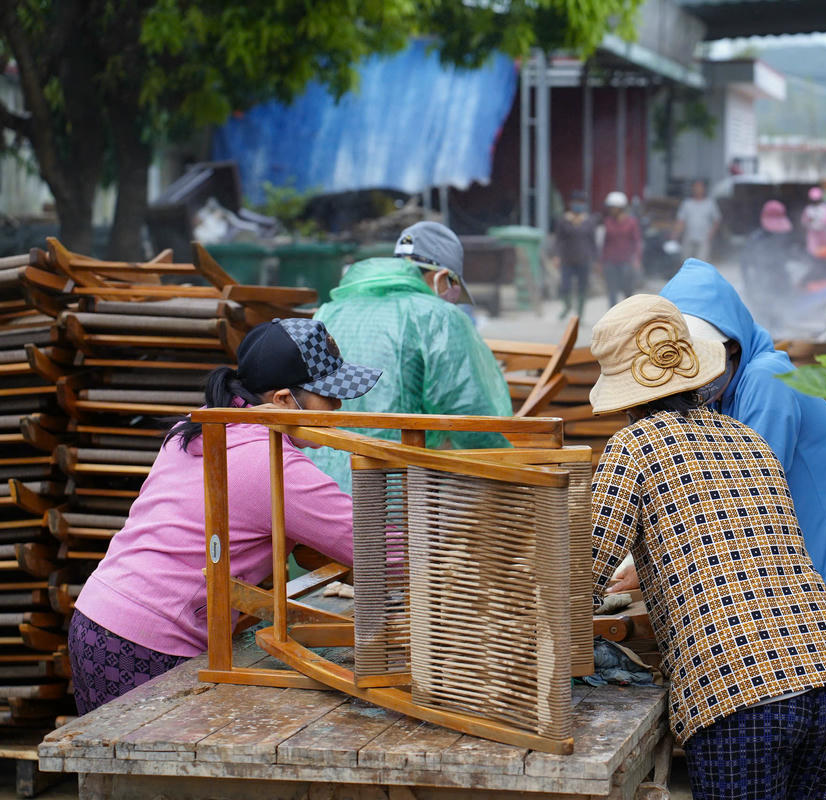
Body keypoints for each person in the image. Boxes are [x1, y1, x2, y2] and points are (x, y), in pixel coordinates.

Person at [588, 294, 826, 800]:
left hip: (738, 686)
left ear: (626, 396)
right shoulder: (748, 439)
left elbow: (580, 570)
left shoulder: (634, 446)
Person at [658, 259, 826, 800]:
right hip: (818, 601)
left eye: (710, 361)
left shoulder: (766, 382)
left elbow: (737, 505)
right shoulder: (725, 398)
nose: (701, 377)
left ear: (734, 345)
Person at [68, 318, 382, 714]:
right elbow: (377, 548)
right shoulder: (269, 462)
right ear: (284, 399)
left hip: (98, 615)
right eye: (329, 396)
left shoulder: (205, 424)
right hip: (149, 639)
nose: (339, 407)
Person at [309, 221, 512, 491]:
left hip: (318, 484)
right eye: (454, 287)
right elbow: (468, 413)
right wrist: (511, 469)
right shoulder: (438, 316)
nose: (453, 297)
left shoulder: (328, 311)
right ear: (442, 277)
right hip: (394, 491)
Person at [739, 200, 796, 330]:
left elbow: (785, 261)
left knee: (779, 320)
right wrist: (749, 287)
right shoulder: (755, 239)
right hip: (761, 286)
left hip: (780, 285)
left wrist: (788, 283)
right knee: (763, 322)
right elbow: (745, 266)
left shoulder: (782, 237)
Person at [553, 190, 598, 320]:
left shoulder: (589, 221)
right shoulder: (564, 220)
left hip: (584, 259)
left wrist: (595, 260)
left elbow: (592, 241)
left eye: (581, 202)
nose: (578, 205)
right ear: (571, 203)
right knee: (565, 286)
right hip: (567, 259)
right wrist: (556, 256)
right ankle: (567, 306)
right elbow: (558, 240)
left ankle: (580, 313)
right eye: (576, 202)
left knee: (582, 287)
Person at [598, 191, 642, 307]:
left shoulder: (631, 223)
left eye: (613, 207)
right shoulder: (607, 222)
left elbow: (637, 242)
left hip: (626, 262)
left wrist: (636, 259)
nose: (611, 210)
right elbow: (604, 243)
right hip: (610, 262)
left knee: (627, 291)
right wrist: (601, 262)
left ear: (621, 208)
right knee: (612, 291)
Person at [673, 179, 721, 262]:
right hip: (688, 237)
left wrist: (711, 233)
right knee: (686, 262)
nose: (697, 189)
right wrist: (675, 234)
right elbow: (681, 221)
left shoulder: (709, 203)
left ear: (704, 189)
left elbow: (717, 219)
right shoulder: (687, 203)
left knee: (701, 262)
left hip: (704, 238)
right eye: (696, 187)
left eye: (700, 187)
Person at [800, 186, 826, 256]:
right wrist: (809, 221)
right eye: (814, 200)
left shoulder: (825, 208)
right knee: (813, 252)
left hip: (823, 234)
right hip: (813, 235)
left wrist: (821, 223)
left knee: (823, 252)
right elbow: (804, 221)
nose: (815, 202)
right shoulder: (808, 209)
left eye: (817, 200)